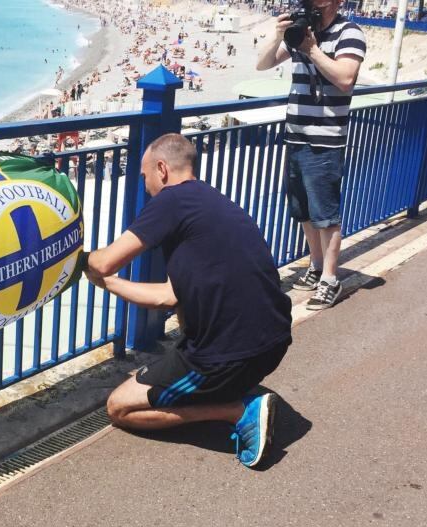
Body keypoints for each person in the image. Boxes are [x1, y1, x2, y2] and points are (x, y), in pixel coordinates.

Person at [83, 134, 293, 469]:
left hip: (226, 356)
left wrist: (82, 263)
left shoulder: (171, 201)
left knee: (120, 407)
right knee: (158, 375)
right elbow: (167, 295)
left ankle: (238, 411)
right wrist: (110, 284)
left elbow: (104, 261)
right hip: (274, 342)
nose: (146, 186)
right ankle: (227, 392)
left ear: (162, 169)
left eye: (145, 176)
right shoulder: (213, 203)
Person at [255, 0, 366, 309]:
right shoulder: (300, 33)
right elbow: (262, 64)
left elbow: (345, 79)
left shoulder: (350, 33)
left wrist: (313, 49)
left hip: (325, 141)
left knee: (326, 215)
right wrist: (279, 36)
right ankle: (316, 267)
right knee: (303, 210)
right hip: (296, 136)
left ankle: (331, 279)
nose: (310, 5)